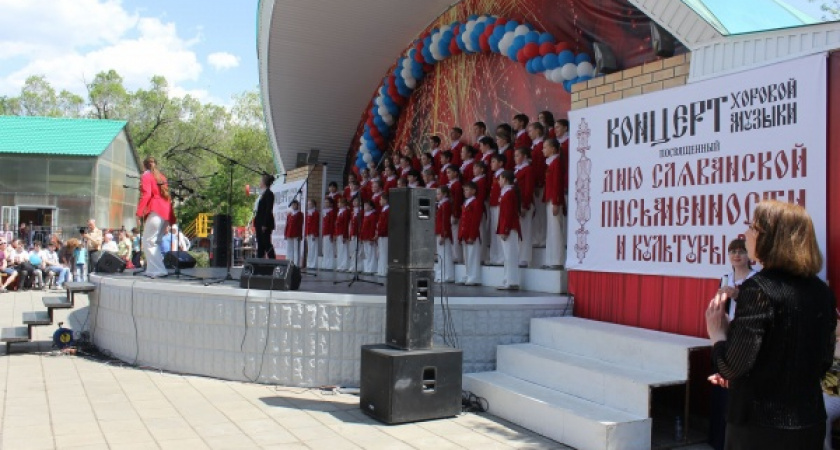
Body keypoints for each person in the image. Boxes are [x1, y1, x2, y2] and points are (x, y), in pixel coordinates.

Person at [706, 199, 836, 449]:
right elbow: (820, 363)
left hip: (759, 427)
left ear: (771, 237)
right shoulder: (822, 292)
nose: (746, 234)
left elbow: (732, 367)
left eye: (752, 228)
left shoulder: (758, 289)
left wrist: (718, 336)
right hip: (808, 421)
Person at [709, 238, 758, 450]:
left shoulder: (756, 279)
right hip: (727, 335)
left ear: (749, 256)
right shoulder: (725, 278)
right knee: (721, 386)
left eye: (741, 251)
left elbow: (757, 307)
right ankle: (718, 439)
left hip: (746, 337)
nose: (737, 255)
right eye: (733, 251)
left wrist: (737, 295)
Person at [136, 156, 175, 278]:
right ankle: (154, 269)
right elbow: (167, 196)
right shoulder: (161, 176)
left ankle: (157, 270)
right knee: (155, 241)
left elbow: (146, 195)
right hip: (165, 211)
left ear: (144, 166)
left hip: (156, 210)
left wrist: (139, 213)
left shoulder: (146, 176)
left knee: (148, 241)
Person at [542, 138, 565, 269]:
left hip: (554, 200)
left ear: (553, 149)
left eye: (546, 147)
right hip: (550, 199)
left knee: (556, 230)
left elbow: (557, 184)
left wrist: (556, 201)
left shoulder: (556, 163)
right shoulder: (551, 163)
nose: (543, 150)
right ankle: (550, 259)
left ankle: (557, 260)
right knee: (551, 230)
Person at [497, 171, 522, 290]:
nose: (499, 181)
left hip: (510, 227)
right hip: (507, 227)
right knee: (507, 256)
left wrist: (505, 229)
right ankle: (508, 280)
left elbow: (508, 214)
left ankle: (512, 281)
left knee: (510, 255)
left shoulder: (509, 194)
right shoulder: (506, 193)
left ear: (506, 180)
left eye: (500, 179)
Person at [458, 181, 482, 286]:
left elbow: (475, 221)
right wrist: (460, 235)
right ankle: (468, 274)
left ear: (473, 191)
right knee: (467, 257)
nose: (465, 192)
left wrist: (472, 235)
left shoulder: (476, 203)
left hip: (471, 234)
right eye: (464, 190)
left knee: (472, 256)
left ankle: (474, 277)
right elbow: (462, 220)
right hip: (465, 233)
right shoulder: (466, 203)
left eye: (467, 190)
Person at [529, 122, 547, 248]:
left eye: (531, 131)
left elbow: (540, 167)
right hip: (534, 183)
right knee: (537, 212)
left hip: (539, 184)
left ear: (538, 131)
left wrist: (538, 183)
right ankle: (537, 237)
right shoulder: (534, 146)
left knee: (541, 212)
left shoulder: (541, 146)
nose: (529, 133)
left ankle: (542, 238)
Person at [434, 186, 455, 283]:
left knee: (445, 255)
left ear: (444, 194)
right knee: (441, 255)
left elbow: (445, 221)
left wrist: (443, 234)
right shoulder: (441, 204)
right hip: (439, 231)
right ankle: (441, 274)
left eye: (439, 194)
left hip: (443, 233)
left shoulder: (446, 205)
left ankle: (447, 275)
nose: (437, 196)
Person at [254, 174, 276, 259]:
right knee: (260, 243)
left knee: (266, 243)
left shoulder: (269, 194)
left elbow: (268, 210)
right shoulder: (263, 194)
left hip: (264, 223)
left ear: (264, 183)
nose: (259, 183)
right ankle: (260, 261)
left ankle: (272, 260)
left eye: (261, 181)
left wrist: (265, 224)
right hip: (259, 222)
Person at [360, 200, 378, 275]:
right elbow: (363, 227)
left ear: (371, 207)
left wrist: (371, 238)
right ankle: (367, 268)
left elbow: (372, 227)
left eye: (366, 205)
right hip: (365, 236)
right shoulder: (365, 215)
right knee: (366, 253)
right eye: (364, 205)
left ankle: (371, 269)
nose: (365, 207)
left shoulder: (372, 215)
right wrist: (361, 237)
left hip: (369, 237)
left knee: (371, 253)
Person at [284, 200, 303, 266]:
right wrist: (285, 234)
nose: (294, 206)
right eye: (292, 205)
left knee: (296, 249)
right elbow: (287, 224)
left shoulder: (300, 214)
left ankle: (296, 264)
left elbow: (300, 225)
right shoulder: (289, 214)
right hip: (289, 233)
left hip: (296, 234)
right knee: (289, 249)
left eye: (295, 204)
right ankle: (289, 262)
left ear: (297, 205)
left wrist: (300, 235)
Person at [334, 197, 351, 272]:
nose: (338, 204)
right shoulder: (340, 212)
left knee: (344, 249)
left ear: (344, 204)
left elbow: (345, 224)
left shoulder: (346, 212)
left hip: (342, 233)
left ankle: (344, 265)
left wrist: (344, 235)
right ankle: (340, 265)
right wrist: (335, 233)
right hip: (339, 232)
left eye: (340, 203)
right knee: (340, 249)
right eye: (338, 203)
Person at [320, 197, 337, 271]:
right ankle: (325, 264)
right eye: (325, 202)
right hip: (325, 232)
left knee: (330, 249)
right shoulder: (325, 212)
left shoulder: (332, 212)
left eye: (327, 202)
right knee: (325, 249)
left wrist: (332, 234)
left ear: (331, 204)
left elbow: (332, 224)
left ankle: (330, 265)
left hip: (329, 233)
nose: (325, 204)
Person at [375, 193, 389, 277]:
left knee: (384, 253)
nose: (380, 201)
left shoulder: (387, 211)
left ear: (386, 200)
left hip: (384, 235)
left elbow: (385, 224)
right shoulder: (383, 210)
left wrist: (380, 233)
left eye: (381, 199)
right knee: (381, 252)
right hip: (381, 234)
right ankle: (380, 270)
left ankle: (384, 270)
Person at [305, 199, 320, 270]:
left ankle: (314, 264)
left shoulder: (315, 213)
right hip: (308, 232)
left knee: (314, 248)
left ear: (313, 205)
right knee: (310, 249)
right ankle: (309, 263)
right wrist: (306, 233)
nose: (308, 205)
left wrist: (314, 233)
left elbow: (315, 224)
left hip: (313, 233)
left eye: (310, 204)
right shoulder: (308, 213)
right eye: (308, 204)